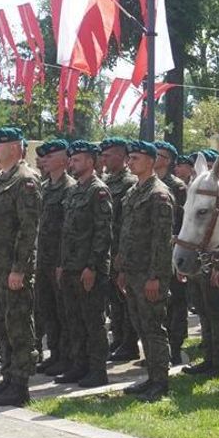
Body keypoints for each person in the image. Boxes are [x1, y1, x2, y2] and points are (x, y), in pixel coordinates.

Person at [0, 127, 42, 406]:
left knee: (17, 327)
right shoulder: (0, 179)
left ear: (14, 147)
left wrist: (19, 269)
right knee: (0, 326)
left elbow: (28, 230)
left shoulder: (25, 180)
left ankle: (20, 385)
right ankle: (7, 379)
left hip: (12, 269)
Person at [116, 141, 174, 401]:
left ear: (151, 161)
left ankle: (161, 382)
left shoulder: (158, 194)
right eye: (129, 158)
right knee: (141, 326)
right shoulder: (134, 191)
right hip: (133, 272)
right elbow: (127, 233)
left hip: (150, 274)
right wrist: (123, 270)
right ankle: (151, 376)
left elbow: (161, 242)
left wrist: (156, 277)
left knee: (153, 327)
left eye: (136, 158)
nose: (130, 162)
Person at [56, 141, 113, 388]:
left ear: (91, 162)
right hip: (70, 266)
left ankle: (97, 370)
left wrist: (92, 266)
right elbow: (66, 231)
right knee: (74, 320)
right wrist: (61, 263)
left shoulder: (98, 191)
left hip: (88, 269)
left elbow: (103, 233)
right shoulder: (74, 190)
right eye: (72, 159)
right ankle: (79, 366)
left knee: (93, 321)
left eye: (77, 159)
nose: (72, 163)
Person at [184, 149, 219, 379]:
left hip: (215, 265)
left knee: (216, 312)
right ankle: (210, 357)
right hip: (202, 264)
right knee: (204, 312)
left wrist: (218, 267)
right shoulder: (198, 193)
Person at [33, 139, 75, 377]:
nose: (44, 161)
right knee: (47, 310)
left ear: (62, 159)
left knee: (63, 312)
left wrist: (62, 262)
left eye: (49, 156)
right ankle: (55, 354)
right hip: (43, 259)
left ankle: (67, 357)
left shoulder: (69, 187)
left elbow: (69, 231)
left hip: (59, 260)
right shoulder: (45, 186)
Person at [101, 137, 140, 362]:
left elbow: (127, 222)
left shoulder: (128, 182)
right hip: (107, 247)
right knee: (114, 300)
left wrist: (121, 253)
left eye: (108, 155)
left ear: (120, 156)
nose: (104, 159)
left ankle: (129, 342)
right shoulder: (107, 180)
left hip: (120, 249)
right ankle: (118, 339)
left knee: (124, 300)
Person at [155, 141, 188, 365]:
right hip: (156, 255)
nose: (154, 157)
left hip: (174, 253)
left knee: (176, 303)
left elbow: (185, 222)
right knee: (160, 305)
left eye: (159, 155)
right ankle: (160, 350)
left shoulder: (177, 186)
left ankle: (175, 349)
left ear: (167, 160)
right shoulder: (149, 183)